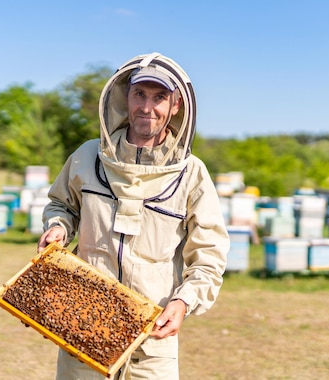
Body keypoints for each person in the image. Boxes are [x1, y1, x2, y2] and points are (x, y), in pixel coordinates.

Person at [37, 52, 229, 380]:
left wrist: (183, 302)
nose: (147, 107)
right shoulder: (86, 156)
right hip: (84, 323)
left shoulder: (192, 174)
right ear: (124, 96)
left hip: (151, 338)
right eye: (139, 94)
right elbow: (62, 206)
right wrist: (58, 227)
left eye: (159, 97)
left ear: (176, 105)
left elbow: (209, 258)